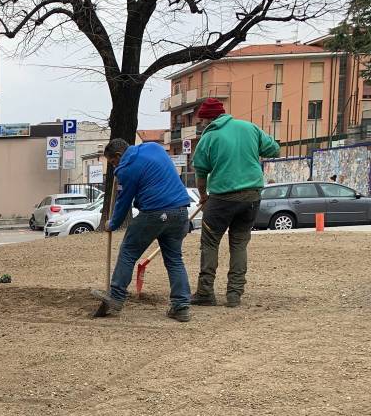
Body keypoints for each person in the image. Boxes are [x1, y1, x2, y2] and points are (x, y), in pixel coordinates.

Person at [91, 138, 194, 322]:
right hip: (180, 211)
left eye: (113, 162)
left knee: (128, 252)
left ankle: (116, 296)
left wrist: (112, 224)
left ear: (118, 155)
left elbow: (123, 203)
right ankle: (181, 306)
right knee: (174, 259)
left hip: (154, 213)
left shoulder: (126, 168)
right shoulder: (154, 147)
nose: (114, 167)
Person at [190, 97, 279, 308]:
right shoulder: (249, 127)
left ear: (207, 119)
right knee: (239, 244)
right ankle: (234, 295)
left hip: (222, 198)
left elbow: (201, 172)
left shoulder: (208, 137)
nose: (201, 124)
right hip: (251, 196)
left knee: (210, 243)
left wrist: (203, 195)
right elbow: (274, 149)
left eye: (202, 120)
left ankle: (205, 292)